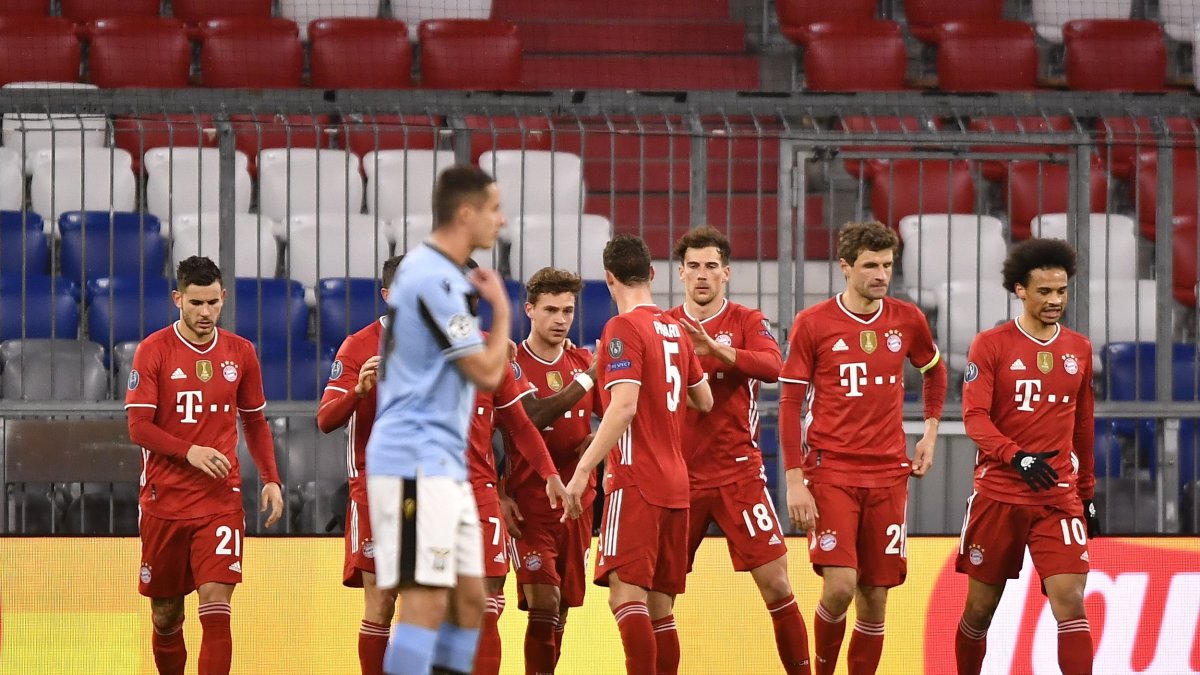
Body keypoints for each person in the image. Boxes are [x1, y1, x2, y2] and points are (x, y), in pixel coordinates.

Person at [778, 220, 947, 675]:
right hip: (831, 470)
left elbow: (934, 370)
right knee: (839, 586)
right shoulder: (813, 323)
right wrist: (794, 480)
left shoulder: (907, 319)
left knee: (875, 597)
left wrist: (930, 432)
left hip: (888, 474)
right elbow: (790, 403)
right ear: (846, 267)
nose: (881, 274)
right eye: (871, 265)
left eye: (887, 265)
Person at [365, 165, 513, 675]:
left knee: (471, 601)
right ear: (466, 214)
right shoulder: (432, 278)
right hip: (413, 460)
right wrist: (502, 311)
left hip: (445, 464)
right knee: (426, 602)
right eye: (494, 209)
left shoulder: (442, 276)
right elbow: (488, 372)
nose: (502, 220)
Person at [125, 255, 285, 675]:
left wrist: (271, 478)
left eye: (213, 302)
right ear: (177, 298)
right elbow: (139, 427)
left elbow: (255, 421)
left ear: (223, 297)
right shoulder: (153, 350)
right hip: (164, 499)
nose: (206, 312)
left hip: (220, 500)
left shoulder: (240, 352)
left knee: (216, 605)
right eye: (196, 302)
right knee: (166, 614)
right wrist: (189, 451)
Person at [563, 234, 713, 675]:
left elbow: (624, 406)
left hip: (636, 481)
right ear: (651, 273)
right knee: (660, 609)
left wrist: (583, 470)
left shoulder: (622, 328)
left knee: (626, 598)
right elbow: (704, 399)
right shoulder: (675, 329)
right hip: (676, 485)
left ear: (609, 278)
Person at [663, 226, 811, 674]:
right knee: (657, 596)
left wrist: (716, 350)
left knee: (777, 583)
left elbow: (773, 366)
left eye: (711, 266)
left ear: (726, 273)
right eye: (693, 266)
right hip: (678, 477)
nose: (702, 275)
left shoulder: (747, 320)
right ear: (681, 273)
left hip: (738, 473)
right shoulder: (664, 326)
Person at [954, 238, 1099, 675]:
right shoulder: (990, 344)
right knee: (980, 611)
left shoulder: (1079, 348)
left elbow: (1083, 425)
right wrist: (1016, 457)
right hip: (999, 495)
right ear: (1020, 290)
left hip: (1058, 498)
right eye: (1044, 291)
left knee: (1071, 602)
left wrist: (1087, 493)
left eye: (1062, 291)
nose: (1055, 300)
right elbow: (974, 418)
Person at [503, 266, 604, 674]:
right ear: (529, 310)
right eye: (550, 310)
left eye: (568, 310)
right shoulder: (513, 363)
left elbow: (617, 418)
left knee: (561, 608)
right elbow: (529, 417)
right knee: (544, 602)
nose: (561, 319)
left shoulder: (581, 359)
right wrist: (498, 492)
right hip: (530, 505)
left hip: (578, 504)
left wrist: (596, 445)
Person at [466, 337, 580, 675]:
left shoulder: (491, 354)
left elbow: (520, 424)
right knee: (434, 605)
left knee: (492, 601)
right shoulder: (413, 351)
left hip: (481, 492)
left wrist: (550, 474)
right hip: (433, 491)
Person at [316, 254, 404, 675]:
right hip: (374, 487)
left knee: (427, 603)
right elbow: (325, 420)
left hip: (430, 487)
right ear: (387, 294)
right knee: (382, 601)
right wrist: (357, 391)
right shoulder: (360, 344)